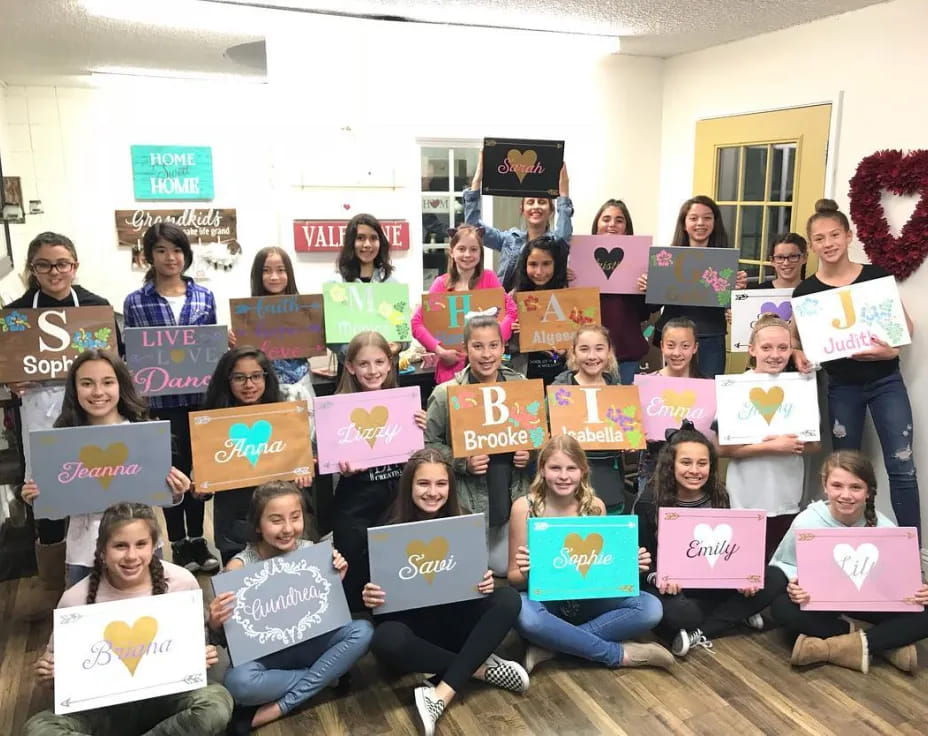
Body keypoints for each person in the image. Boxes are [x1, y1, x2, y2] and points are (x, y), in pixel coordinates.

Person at [23, 503, 233, 735]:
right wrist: (50, 674)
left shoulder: (181, 582)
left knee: (216, 702)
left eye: (141, 544)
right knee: (40, 729)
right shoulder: (75, 598)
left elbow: (198, 644)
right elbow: (60, 669)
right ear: (102, 551)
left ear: (154, 546)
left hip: (165, 697)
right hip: (101, 706)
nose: (131, 556)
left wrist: (201, 654)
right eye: (120, 546)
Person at [362, 448, 528, 736]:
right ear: (409, 486)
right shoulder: (386, 531)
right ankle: (481, 670)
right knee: (385, 639)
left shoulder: (464, 522)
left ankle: (439, 695)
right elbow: (378, 606)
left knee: (507, 598)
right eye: (423, 484)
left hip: (457, 625)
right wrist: (370, 597)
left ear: (450, 488)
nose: (432, 492)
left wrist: (485, 583)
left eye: (441, 484)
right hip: (416, 634)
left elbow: (476, 584)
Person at [6, 232, 122, 615]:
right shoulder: (15, 314)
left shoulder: (96, 307)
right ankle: (58, 590)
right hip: (38, 414)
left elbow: (114, 365)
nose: (54, 272)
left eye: (62, 264)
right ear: (32, 269)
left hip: (91, 411)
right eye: (44, 265)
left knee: (98, 486)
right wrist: (8, 379)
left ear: (75, 266)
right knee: (49, 497)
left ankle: (112, 582)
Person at [791, 199, 920, 537]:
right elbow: (795, 342)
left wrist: (887, 351)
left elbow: (904, 330)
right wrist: (798, 355)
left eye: (835, 235)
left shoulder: (875, 277)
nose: (828, 243)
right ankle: (845, 544)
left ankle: (908, 553)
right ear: (812, 245)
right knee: (845, 472)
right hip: (842, 387)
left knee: (902, 467)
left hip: (885, 382)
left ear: (849, 236)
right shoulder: (806, 290)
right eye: (819, 238)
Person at [208, 481, 372, 733]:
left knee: (363, 631)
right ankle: (327, 676)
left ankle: (282, 705)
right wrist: (216, 622)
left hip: (310, 643)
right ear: (257, 526)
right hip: (269, 658)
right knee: (238, 683)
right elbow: (229, 640)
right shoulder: (237, 569)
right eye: (275, 520)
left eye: (295, 518)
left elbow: (328, 617)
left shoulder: (312, 551)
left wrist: (335, 581)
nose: (287, 529)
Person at [21, 350, 191, 587]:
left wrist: (176, 490)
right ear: (74, 389)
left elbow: (162, 495)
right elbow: (55, 509)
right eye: (87, 383)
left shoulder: (144, 433)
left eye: (108, 382)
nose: (98, 392)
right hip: (84, 553)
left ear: (121, 385)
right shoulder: (61, 439)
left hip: (140, 549)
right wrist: (37, 498)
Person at [508, 435, 672, 673]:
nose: (564, 476)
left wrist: (629, 568)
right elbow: (513, 578)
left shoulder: (595, 506)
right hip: (545, 603)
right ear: (542, 470)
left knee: (650, 608)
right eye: (555, 468)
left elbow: (603, 573)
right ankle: (619, 654)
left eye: (571, 468)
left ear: (583, 470)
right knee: (523, 614)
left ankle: (553, 646)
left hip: (589, 599)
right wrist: (526, 571)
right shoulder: (525, 508)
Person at [770, 451, 928, 673]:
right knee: (782, 607)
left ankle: (831, 647)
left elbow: (899, 581)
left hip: (868, 603)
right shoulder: (807, 521)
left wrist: (919, 592)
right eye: (837, 486)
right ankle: (883, 645)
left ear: (869, 492)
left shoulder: (886, 529)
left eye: (856, 487)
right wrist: (795, 585)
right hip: (822, 603)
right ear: (825, 486)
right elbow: (784, 564)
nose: (846, 495)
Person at [637, 423, 784, 656]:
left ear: (711, 465)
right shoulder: (648, 503)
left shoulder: (719, 495)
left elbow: (731, 548)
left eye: (702, 463)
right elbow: (643, 564)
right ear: (670, 465)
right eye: (686, 462)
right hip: (675, 590)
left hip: (714, 581)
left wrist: (744, 576)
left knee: (775, 576)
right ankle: (734, 615)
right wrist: (660, 579)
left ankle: (698, 632)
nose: (695, 470)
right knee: (682, 614)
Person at [123, 222, 220, 573]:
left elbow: (211, 347)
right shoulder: (136, 301)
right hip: (159, 403)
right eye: (161, 250)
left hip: (200, 399)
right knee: (169, 472)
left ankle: (198, 538)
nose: (170, 257)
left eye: (177, 250)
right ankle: (178, 542)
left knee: (199, 472)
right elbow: (132, 353)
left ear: (186, 254)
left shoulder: (204, 297)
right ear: (149, 255)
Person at [425, 315, 532, 575]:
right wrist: (463, 461)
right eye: (478, 346)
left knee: (511, 571)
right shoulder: (445, 393)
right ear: (465, 348)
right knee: (472, 573)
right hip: (469, 502)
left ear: (503, 347)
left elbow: (541, 436)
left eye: (493, 345)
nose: (487, 355)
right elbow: (428, 446)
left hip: (514, 496)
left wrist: (531, 452)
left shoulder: (522, 387)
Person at [331, 331, 427, 610]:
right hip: (355, 503)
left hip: (396, 498)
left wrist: (421, 428)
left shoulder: (405, 405)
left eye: (379, 362)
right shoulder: (335, 409)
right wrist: (341, 468)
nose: (372, 371)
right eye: (363, 364)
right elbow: (323, 462)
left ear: (390, 363)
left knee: (398, 568)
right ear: (350, 367)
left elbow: (420, 459)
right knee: (356, 582)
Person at [717, 315, 820, 559]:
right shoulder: (735, 387)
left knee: (779, 564)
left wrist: (793, 445)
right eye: (766, 347)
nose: (775, 354)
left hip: (787, 497)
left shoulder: (801, 387)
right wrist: (774, 446)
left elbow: (815, 444)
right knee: (745, 562)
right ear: (752, 350)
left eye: (783, 347)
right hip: (743, 497)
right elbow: (721, 448)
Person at [202, 346, 313, 564]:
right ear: (226, 380)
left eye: (256, 376)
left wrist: (303, 474)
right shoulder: (210, 422)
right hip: (235, 526)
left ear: (267, 377)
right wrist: (201, 488)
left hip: (282, 525)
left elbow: (301, 468)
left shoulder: (285, 415)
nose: (249, 385)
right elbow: (205, 484)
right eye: (239, 378)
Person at [641, 195, 747, 377]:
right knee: (671, 393)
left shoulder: (726, 261)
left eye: (707, 217)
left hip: (711, 337)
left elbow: (731, 310)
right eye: (693, 218)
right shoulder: (666, 258)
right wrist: (649, 288)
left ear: (715, 223)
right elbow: (652, 307)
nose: (700, 223)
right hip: (673, 336)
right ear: (684, 223)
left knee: (708, 392)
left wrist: (738, 295)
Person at [411, 224, 517, 384]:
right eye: (461, 249)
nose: (467, 254)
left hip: (486, 367)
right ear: (452, 252)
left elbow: (512, 312)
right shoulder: (441, 284)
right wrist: (440, 351)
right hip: (452, 370)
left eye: (474, 249)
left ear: (480, 253)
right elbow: (416, 323)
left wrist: (495, 339)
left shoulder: (489, 279)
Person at [464, 151, 573, 291]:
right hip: (508, 307)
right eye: (530, 202)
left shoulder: (556, 243)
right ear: (522, 209)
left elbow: (565, 233)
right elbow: (473, 228)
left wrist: (564, 194)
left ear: (551, 210)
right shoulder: (509, 240)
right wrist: (477, 181)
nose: (536, 206)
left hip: (544, 306)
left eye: (542, 202)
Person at [551, 325, 626, 513]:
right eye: (584, 349)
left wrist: (631, 441)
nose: (592, 356)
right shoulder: (559, 392)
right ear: (574, 353)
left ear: (609, 352)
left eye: (599, 349)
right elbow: (542, 437)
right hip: (567, 488)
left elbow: (628, 445)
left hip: (609, 482)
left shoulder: (619, 392)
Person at [238, 246, 317, 403]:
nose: (274, 277)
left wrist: (318, 332)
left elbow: (309, 350)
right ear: (257, 275)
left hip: (302, 383)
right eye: (266, 271)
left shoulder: (304, 309)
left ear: (289, 274)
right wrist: (232, 340)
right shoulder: (246, 313)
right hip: (265, 387)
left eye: (281, 270)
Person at [636, 316, 704, 495]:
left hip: (693, 471)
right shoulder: (646, 384)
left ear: (695, 347)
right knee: (650, 518)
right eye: (671, 345)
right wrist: (635, 436)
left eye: (685, 346)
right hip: (653, 467)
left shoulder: (706, 387)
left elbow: (713, 439)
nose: (677, 353)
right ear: (661, 345)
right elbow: (633, 430)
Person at [590, 199, 654, 384]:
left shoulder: (640, 261)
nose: (612, 225)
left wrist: (647, 290)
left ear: (627, 228)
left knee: (623, 411)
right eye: (606, 219)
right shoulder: (579, 259)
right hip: (590, 352)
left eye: (619, 220)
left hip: (626, 352)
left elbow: (646, 312)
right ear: (597, 225)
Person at [328, 213, 405, 360]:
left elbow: (402, 329)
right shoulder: (337, 285)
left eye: (374, 238)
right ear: (351, 243)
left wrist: (399, 344)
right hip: (350, 370)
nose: (367, 244)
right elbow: (332, 336)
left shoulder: (391, 284)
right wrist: (358, 355)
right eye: (360, 238)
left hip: (387, 371)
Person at [510, 235, 571, 387]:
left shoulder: (569, 296)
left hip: (562, 376)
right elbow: (504, 346)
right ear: (524, 265)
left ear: (556, 264)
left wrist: (566, 352)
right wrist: (516, 334)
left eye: (546, 264)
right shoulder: (515, 297)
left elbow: (583, 340)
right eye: (533, 264)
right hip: (526, 375)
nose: (539, 271)